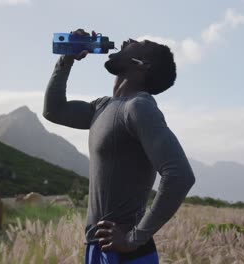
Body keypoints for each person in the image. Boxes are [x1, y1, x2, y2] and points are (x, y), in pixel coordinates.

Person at [43, 28, 195, 263]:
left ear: (142, 64)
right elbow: (54, 110)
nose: (126, 41)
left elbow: (180, 175)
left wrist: (134, 238)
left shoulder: (139, 107)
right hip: (98, 247)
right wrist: (67, 58)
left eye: (138, 43)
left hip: (124, 254)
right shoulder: (103, 107)